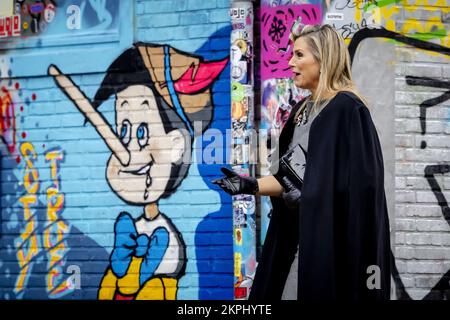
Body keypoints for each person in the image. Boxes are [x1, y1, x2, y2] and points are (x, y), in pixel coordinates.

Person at [213, 23, 391, 300]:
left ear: (323, 60)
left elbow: (362, 191)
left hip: (331, 245)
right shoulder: (300, 112)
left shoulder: (349, 110)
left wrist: (313, 197)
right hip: (293, 241)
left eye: (298, 55)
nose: (290, 62)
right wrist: (248, 186)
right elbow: (289, 179)